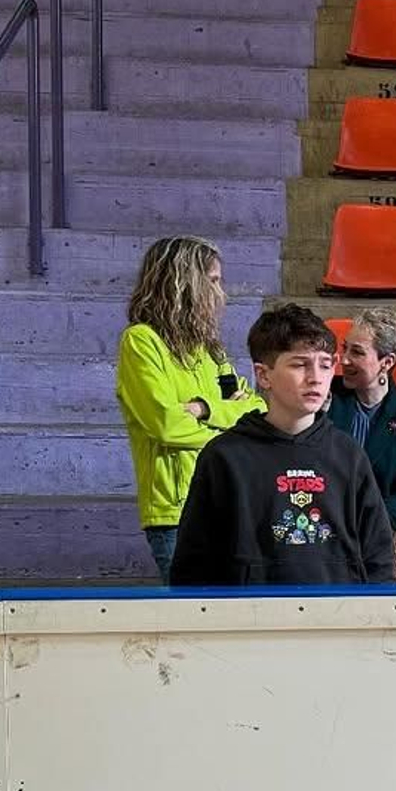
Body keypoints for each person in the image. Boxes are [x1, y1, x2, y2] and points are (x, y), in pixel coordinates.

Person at [170, 304, 395, 587]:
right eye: (300, 364)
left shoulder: (349, 455)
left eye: (325, 364)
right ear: (264, 375)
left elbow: (379, 558)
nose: (316, 377)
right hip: (250, 621)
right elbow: (193, 566)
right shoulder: (223, 457)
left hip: (338, 620)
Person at [116, 236, 264, 583]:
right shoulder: (141, 341)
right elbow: (166, 425)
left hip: (229, 500)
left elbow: (256, 410)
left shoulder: (211, 349)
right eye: (212, 281)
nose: (221, 292)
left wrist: (202, 408)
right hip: (175, 513)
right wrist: (230, 424)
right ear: (184, 283)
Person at [326, 308, 396, 580]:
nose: (345, 360)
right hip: (326, 513)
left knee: (382, 556)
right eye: (344, 348)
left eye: (357, 353)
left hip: (384, 521)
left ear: (387, 362)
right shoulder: (324, 398)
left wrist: (370, 516)